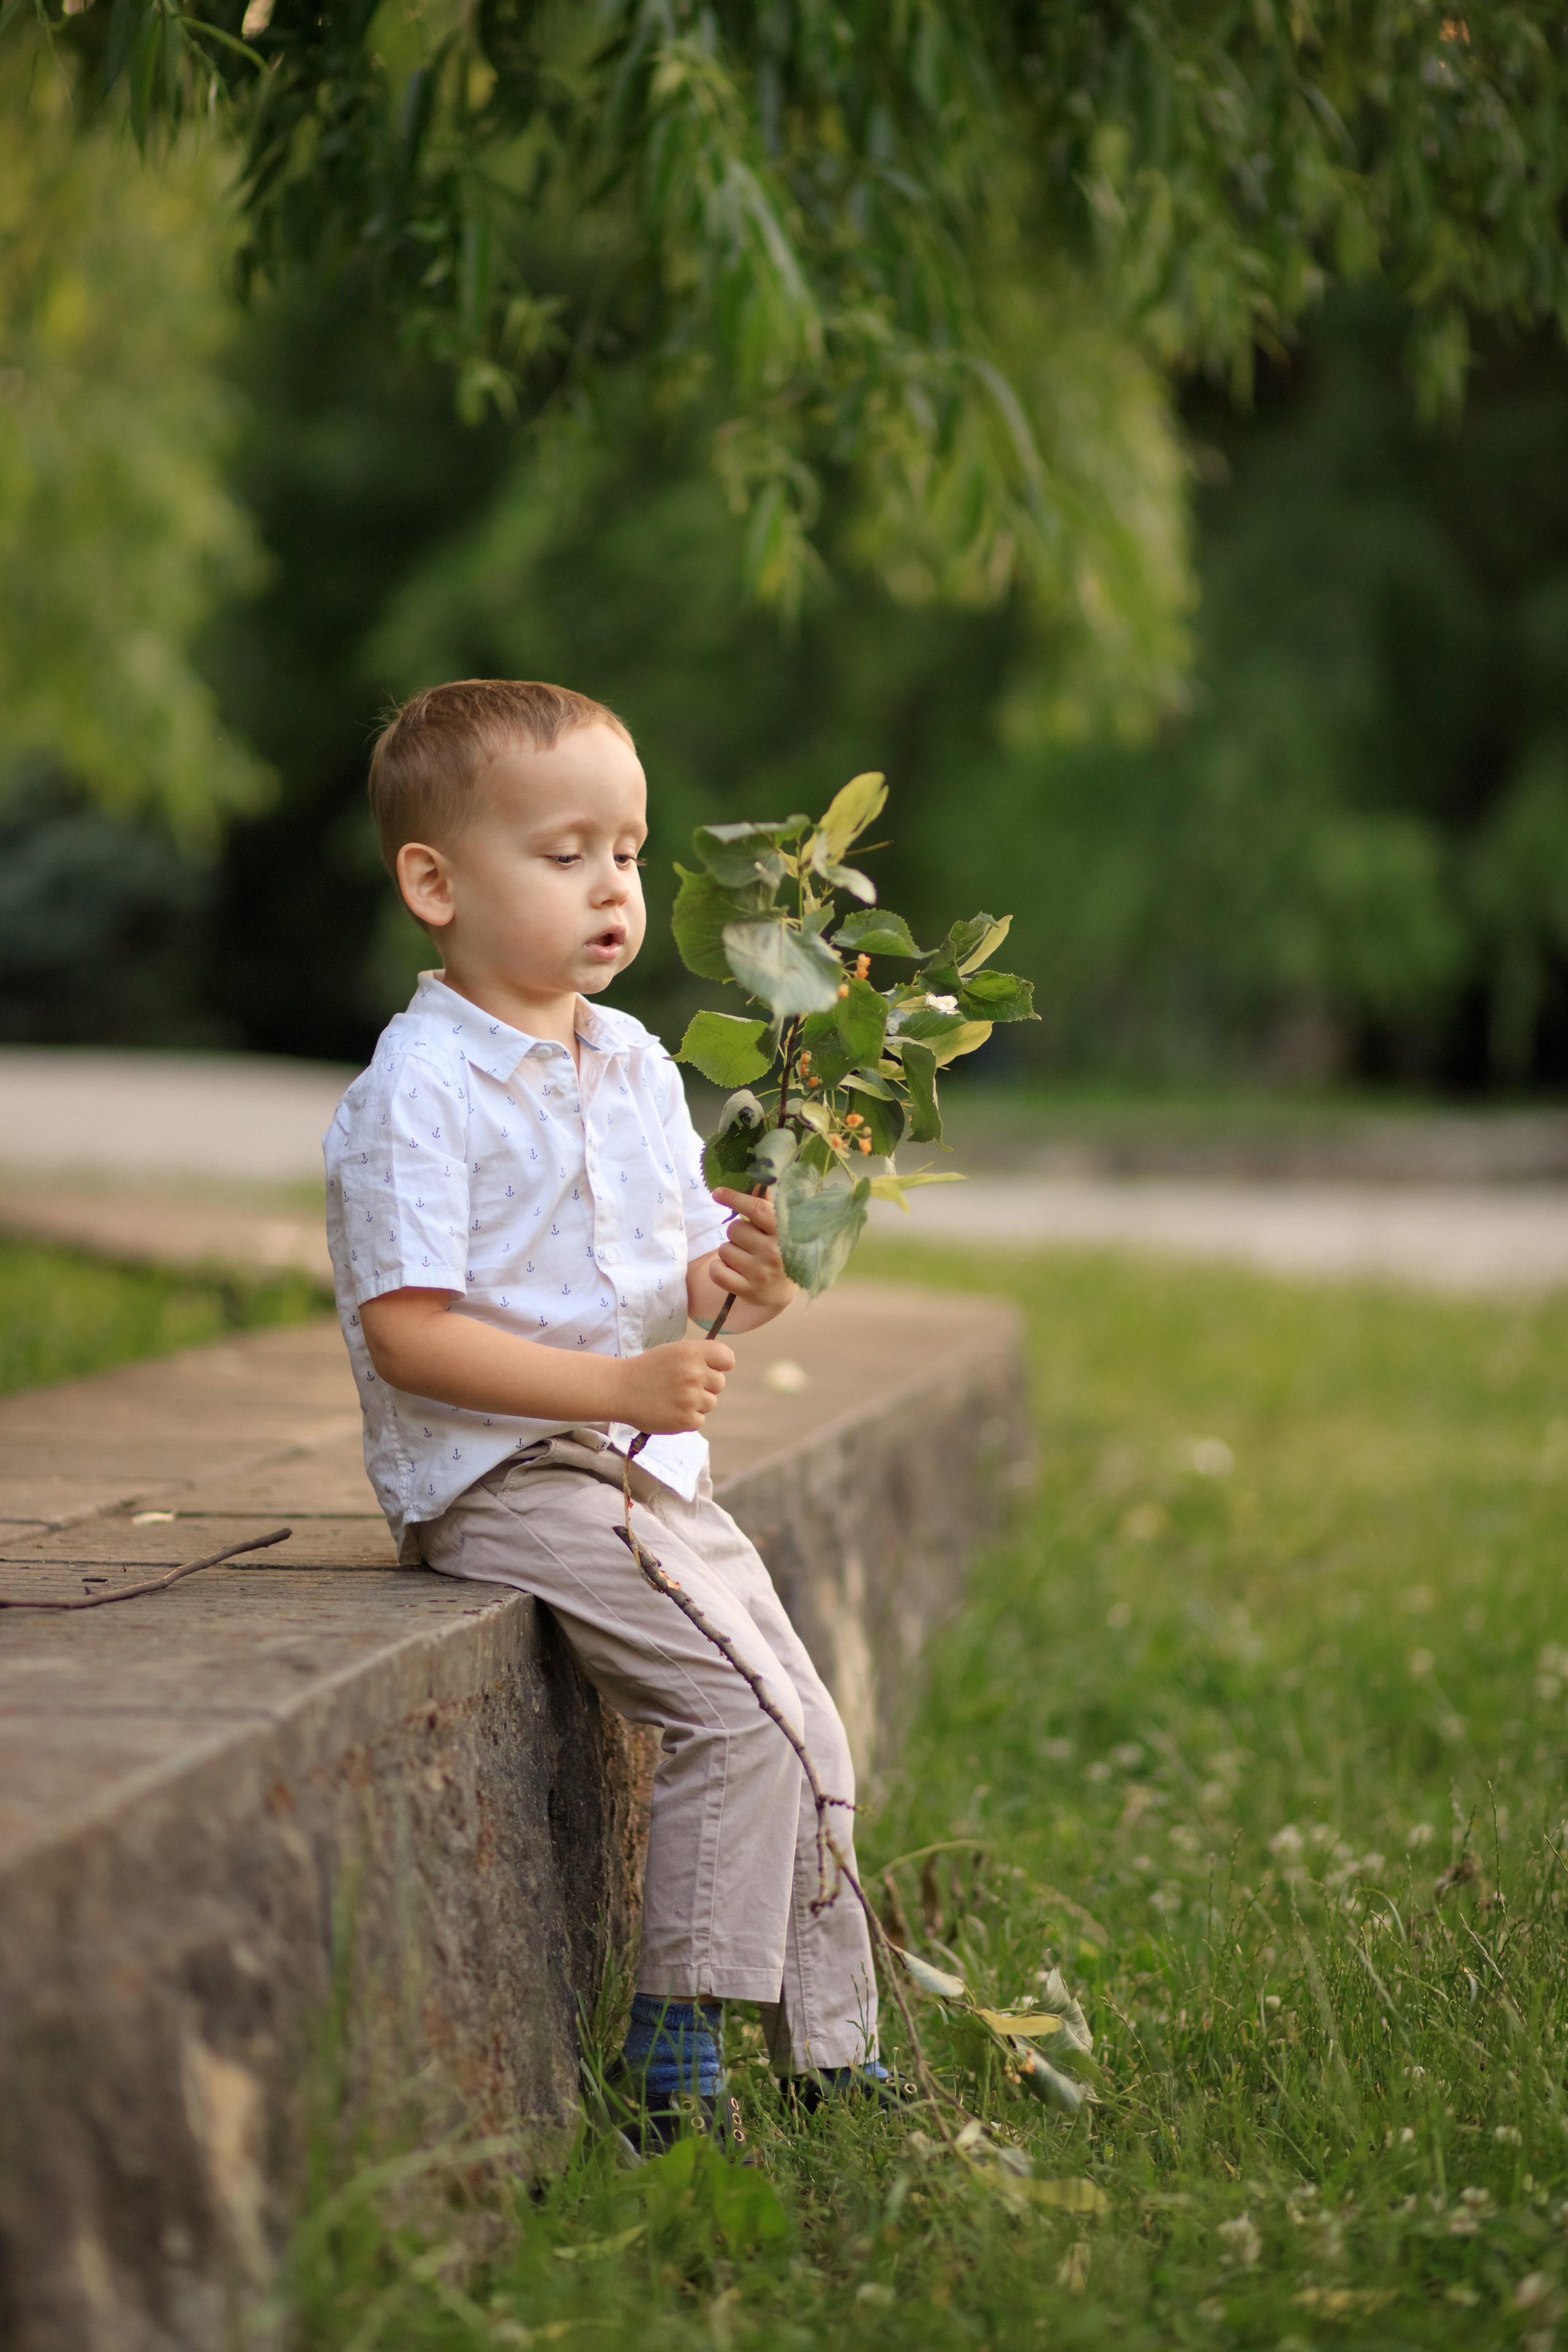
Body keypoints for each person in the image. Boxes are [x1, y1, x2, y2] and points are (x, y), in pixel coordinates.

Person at [323, 678, 892, 2151]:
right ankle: (670, 2046)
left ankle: (830, 2051)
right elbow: (410, 1338)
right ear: (434, 883)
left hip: (639, 1474)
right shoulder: (420, 1087)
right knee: (733, 1714)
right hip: (510, 1478)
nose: (611, 888)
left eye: (626, 854)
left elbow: (667, 1288)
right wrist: (621, 1392)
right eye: (564, 852)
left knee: (806, 1721)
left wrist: (748, 1278)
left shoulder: (631, 1062)